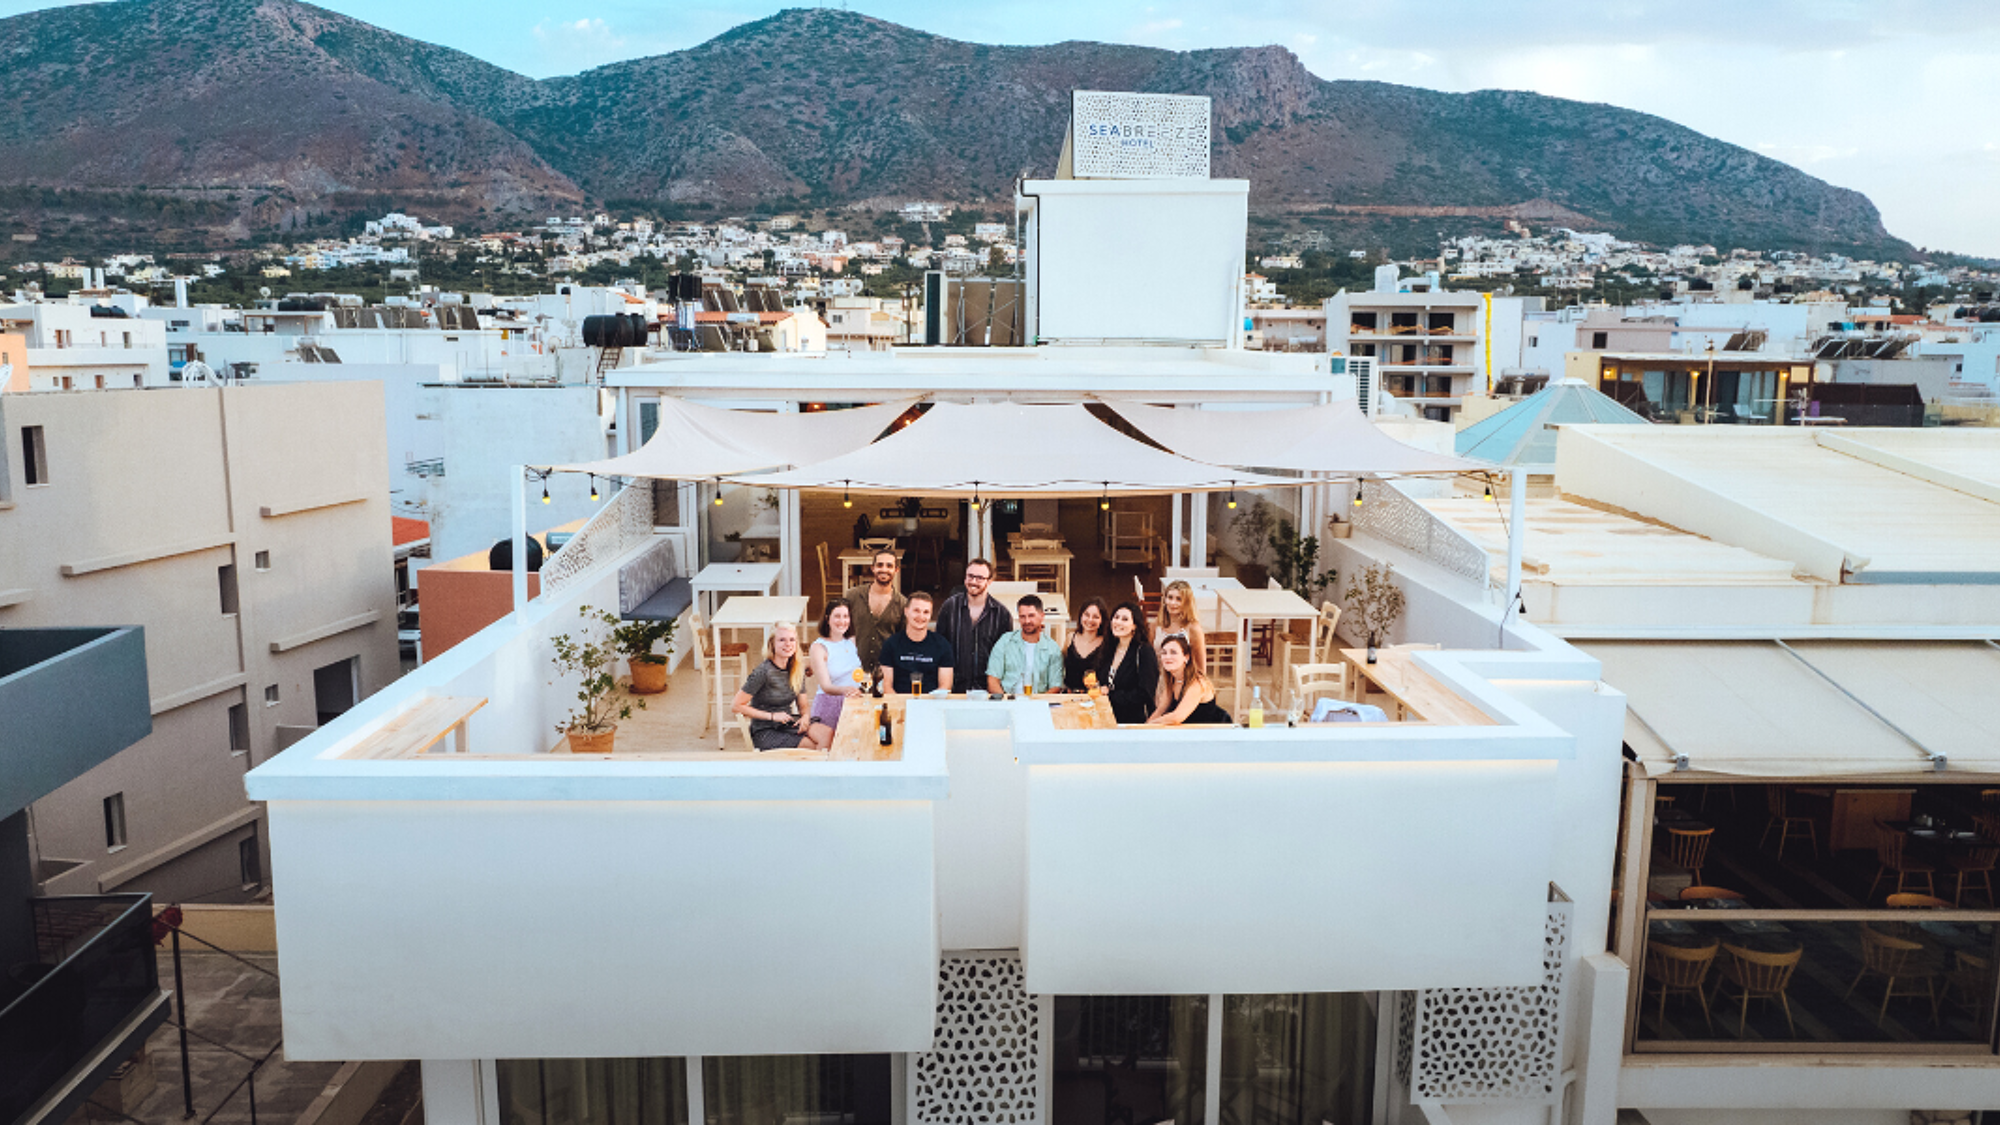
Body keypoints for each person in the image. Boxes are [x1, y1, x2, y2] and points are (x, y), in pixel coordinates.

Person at [935, 557, 1013, 693]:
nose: (973, 582)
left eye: (979, 578)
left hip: (987, 690)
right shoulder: (950, 607)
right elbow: (939, 646)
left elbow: (1006, 656)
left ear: (989, 582)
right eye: (970, 576)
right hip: (954, 688)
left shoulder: (1002, 614)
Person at [732, 622, 814, 750]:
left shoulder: (797, 670)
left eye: (792, 640)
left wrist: (805, 717)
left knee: (827, 735)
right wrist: (772, 716)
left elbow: (803, 705)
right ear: (772, 644)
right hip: (765, 731)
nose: (788, 644)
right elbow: (736, 706)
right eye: (782, 640)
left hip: (787, 724)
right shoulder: (763, 672)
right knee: (812, 746)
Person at [805, 601, 863, 750]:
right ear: (827, 619)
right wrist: (846, 690)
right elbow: (826, 686)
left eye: (846, 616)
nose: (842, 621)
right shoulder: (819, 647)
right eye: (837, 616)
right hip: (829, 705)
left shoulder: (851, 642)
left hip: (853, 703)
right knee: (833, 750)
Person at [876, 591, 955, 694]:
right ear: (906, 612)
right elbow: (886, 687)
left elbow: (945, 687)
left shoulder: (942, 645)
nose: (921, 616)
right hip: (899, 705)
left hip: (931, 705)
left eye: (926, 612)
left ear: (931, 615)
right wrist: (902, 707)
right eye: (916, 611)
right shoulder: (891, 644)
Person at [986, 593, 1065, 695]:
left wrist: (1037, 705)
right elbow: (992, 679)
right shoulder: (1005, 641)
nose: (1027, 621)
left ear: (1042, 616)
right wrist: (1005, 702)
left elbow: (1055, 686)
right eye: (1022, 616)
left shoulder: (1052, 648)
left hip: (1038, 705)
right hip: (1008, 702)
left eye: (1031, 616)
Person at [842, 549, 905, 672]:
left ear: (896, 570)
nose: (884, 569)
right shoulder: (853, 596)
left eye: (889, 566)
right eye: (880, 565)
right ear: (872, 568)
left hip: (886, 674)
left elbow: (903, 642)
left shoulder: (903, 604)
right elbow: (839, 630)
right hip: (853, 670)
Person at [1149, 634, 1231, 726]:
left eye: (1173, 652)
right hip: (1189, 732)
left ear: (1186, 657)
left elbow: (1177, 717)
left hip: (1212, 732)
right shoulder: (1172, 681)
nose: (1167, 657)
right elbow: (1160, 710)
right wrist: (1142, 728)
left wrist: (1150, 725)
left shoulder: (1197, 683)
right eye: (1164, 653)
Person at [1099, 601, 1159, 724]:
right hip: (1109, 715)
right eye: (1116, 617)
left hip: (1134, 721)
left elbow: (1145, 693)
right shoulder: (1110, 647)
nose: (1118, 622)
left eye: (1125, 619)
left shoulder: (1144, 651)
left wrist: (1111, 695)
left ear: (1134, 626)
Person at [1155, 579, 1207, 673]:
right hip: (1158, 678)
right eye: (1170, 597)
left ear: (1186, 603)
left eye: (1179, 599)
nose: (1173, 603)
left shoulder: (1193, 628)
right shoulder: (1156, 624)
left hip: (1183, 679)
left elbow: (1201, 667)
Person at [1062, 597, 1108, 692]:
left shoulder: (1106, 644)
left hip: (1094, 697)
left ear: (1102, 620)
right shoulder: (1070, 638)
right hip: (1069, 696)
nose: (1090, 620)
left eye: (1096, 617)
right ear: (1080, 616)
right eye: (1086, 615)